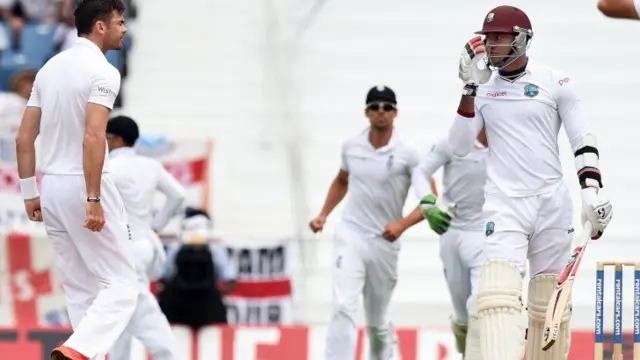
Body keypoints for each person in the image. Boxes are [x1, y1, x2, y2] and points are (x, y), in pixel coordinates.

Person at [450, 5, 613, 360]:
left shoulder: (556, 82)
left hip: (551, 204)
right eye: (488, 37)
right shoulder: (481, 89)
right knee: (496, 298)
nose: (490, 44)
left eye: (499, 37)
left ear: (521, 39)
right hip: (504, 204)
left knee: (547, 306)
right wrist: (467, 89)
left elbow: (581, 137)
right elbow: (460, 147)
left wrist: (591, 192)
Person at [14, 1, 137, 360]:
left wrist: (29, 193)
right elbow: (94, 137)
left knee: (82, 289)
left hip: (50, 186)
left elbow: (24, 138)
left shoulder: (50, 68)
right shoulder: (104, 71)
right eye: (119, 22)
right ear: (100, 27)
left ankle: (85, 355)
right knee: (123, 286)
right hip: (85, 184)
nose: (124, 29)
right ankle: (79, 351)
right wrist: (94, 198)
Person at [309, 85, 425, 360]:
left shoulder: (408, 152)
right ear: (366, 112)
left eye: (386, 107)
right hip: (352, 234)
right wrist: (323, 214)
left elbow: (429, 200)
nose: (380, 112)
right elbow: (341, 181)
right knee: (343, 306)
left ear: (395, 113)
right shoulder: (351, 147)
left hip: (384, 242)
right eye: (374, 107)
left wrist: (402, 225)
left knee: (377, 321)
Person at [105, 115, 185, 360]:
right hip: (145, 244)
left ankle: (170, 355)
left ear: (117, 139)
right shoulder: (150, 165)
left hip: (122, 247)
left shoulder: (108, 168)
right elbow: (178, 196)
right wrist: (155, 225)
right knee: (120, 311)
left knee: (139, 309)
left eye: (106, 138)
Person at [411, 133, 487, 360]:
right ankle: (465, 346)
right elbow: (420, 172)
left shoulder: (509, 143)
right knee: (463, 312)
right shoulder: (452, 141)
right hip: (452, 230)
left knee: (480, 303)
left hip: (486, 232)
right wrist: (427, 204)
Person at [159, 207, 237, 329]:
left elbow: (163, 278)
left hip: (176, 308)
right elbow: (230, 280)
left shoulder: (175, 248)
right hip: (207, 309)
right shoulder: (216, 248)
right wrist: (215, 294)